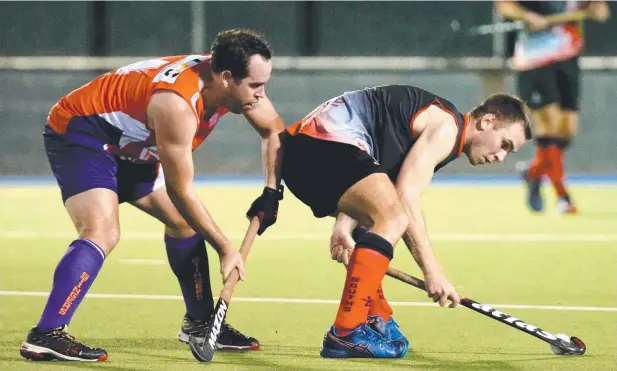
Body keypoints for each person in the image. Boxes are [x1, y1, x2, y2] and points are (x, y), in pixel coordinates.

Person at [19, 29, 285, 362]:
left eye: (264, 84)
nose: (261, 95)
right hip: (84, 131)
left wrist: (272, 191)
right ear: (227, 78)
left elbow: (274, 130)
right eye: (255, 86)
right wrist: (226, 248)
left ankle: (200, 324)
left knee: (183, 224)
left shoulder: (230, 85)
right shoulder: (177, 104)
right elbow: (181, 189)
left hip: (134, 141)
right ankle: (46, 334)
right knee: (102, 231)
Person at [281, 85, 532, 358]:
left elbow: (378, 182)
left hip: (304, 154)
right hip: (321, 145)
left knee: (376, 221)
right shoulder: (447, 127)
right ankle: (346, 332)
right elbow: (405, 198)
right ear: (487, 121)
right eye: (504, 144)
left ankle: (376, 318)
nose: (500, 157)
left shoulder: (434, 127)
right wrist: (432, 271)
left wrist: (343, 227)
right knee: (395, 216)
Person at [496, 1, 610, 214]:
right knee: (550, 125)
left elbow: (599, 8)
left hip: (568, 59)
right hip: (535, 60)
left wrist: (597, 10)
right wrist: (527, 16)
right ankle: (563, 197)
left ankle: (533, 172)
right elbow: (504, 5)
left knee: (567, 131)